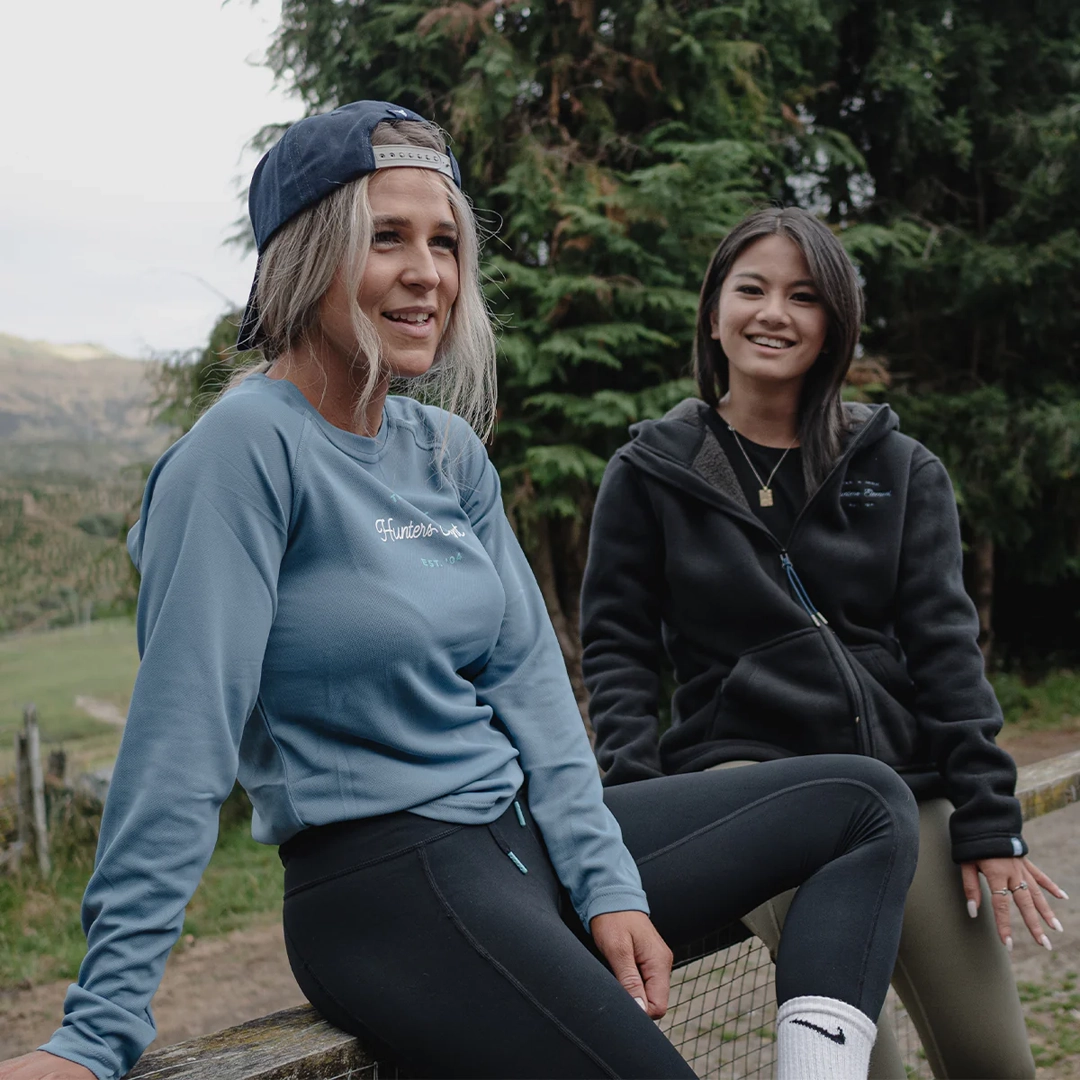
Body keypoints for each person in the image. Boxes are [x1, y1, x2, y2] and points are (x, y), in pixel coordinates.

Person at [0, 107, 919, 1080]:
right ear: (302, 260)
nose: (427, 273)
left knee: (863, 804)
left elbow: (533, 692)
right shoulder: (243, 451)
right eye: (385, 238)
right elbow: (180, 747)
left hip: (518, 838)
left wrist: (607, 883)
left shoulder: (444, 452)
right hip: (389, 883)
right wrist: (98, 1031)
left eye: (444, 242)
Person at [580, 205, 1069, 1079]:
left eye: (803, 296)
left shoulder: (900, 468)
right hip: (749, 786)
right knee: (854, 1060)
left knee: (994, 1061)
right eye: (752, 289)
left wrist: (988, 817)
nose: (774, 313)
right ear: (715, 312)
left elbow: (946, 648)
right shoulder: (650, 472)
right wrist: (642, 809)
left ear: (835, 321)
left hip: (905, 784)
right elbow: (617, 651)